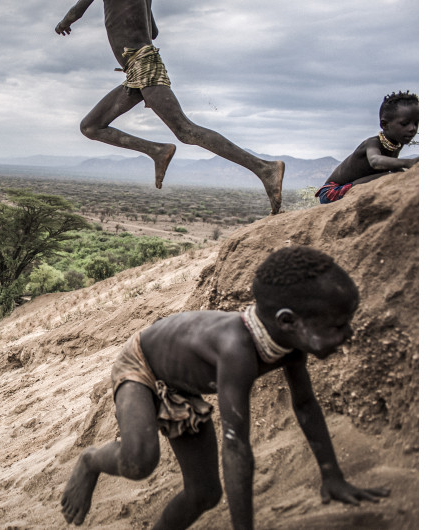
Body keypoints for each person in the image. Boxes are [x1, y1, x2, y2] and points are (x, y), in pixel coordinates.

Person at [60, 246, 389, 529]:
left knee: (204, 493)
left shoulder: (290, 347)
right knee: (139, 460)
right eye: (338, 325)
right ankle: (90, 461)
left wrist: (332, 476)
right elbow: (236, 447)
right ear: (287, 321)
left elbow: (305, 406)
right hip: (140, 364)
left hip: (182, 383)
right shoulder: (237, 351)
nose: (349, 334)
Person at [55, 0, 285, 214]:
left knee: (185, 130)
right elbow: (152, 31)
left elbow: (77, 11)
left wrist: (64, 23)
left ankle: (265, 168)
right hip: (136, 69)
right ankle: (157, 151)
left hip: (143, 64)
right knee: (90, 126)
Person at [315, 91, 418, 204]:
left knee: (396, 176)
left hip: (358, 184)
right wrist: (408, 162)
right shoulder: (372, 143)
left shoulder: (397, 144)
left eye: (416, 123)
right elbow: (375, 161)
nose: (412, 128)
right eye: (404, 124)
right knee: (390, 177)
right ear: (384, 125)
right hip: (331, 192)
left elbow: (394, 168)